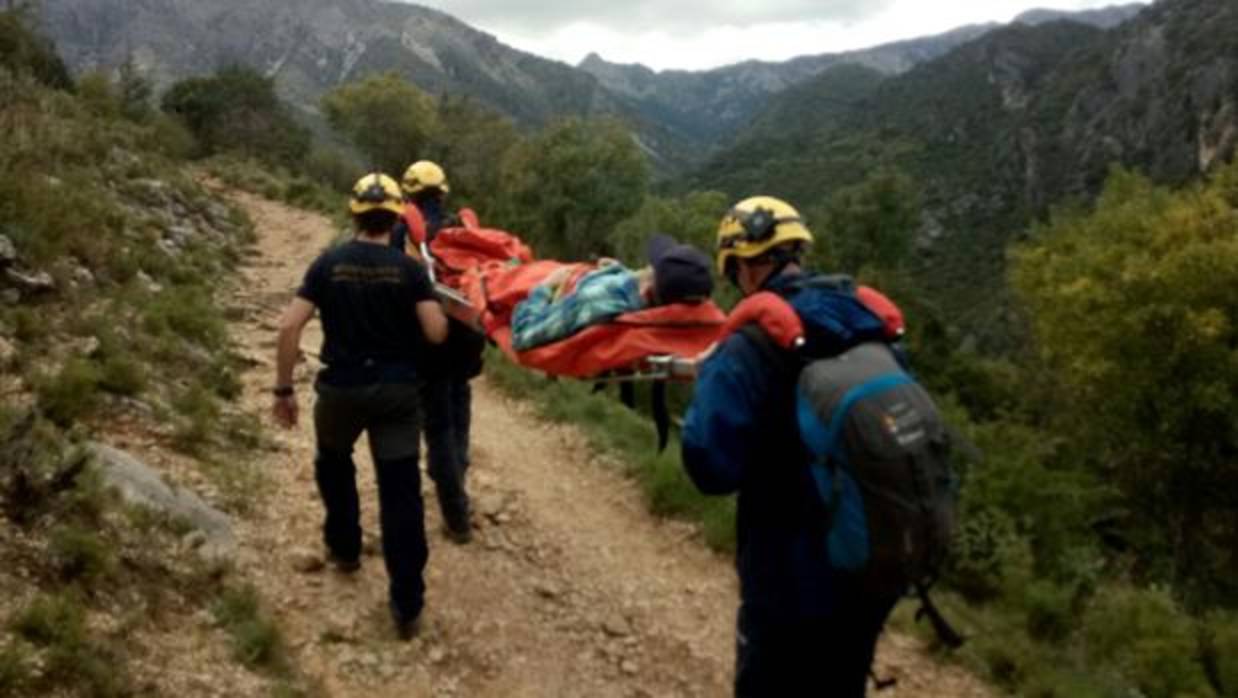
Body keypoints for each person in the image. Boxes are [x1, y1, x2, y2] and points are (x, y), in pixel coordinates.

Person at [680, 196, 902, 697]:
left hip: (787, 573)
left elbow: (708, 466)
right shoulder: (865, 321)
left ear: (739, 264)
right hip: (869, 560)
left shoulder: (752, 344)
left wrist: (708, 387)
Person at [272, 173, 448, 640]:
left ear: (353, 214)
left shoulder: (328, 264)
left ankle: (345, 547)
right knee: (400, 491)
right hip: (396, 394)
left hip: (341, 391)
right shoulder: (410, 271)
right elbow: (435, 333)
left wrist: (283, 390)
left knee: (333, 463)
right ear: (393, 217)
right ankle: (407, 603)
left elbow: (289, 328)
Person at [394, 160, 485, 543]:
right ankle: (456, 479)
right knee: (459, 404)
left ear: (408, 193)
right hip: (466, 333)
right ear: (442, 192)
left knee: (438, 422)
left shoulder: (405, 230)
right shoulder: (461, 228)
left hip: (427, 336)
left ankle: (456, 513)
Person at [511, 233, 714, 351]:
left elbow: (524, 335)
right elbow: (639, 289)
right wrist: (617, 270)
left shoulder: (593, 303)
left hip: (547, 284)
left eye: (650, 266)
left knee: (508, 264)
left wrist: (545, 287)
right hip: (583, 279)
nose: (644, 266)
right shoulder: (643, 301)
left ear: (648, 286)